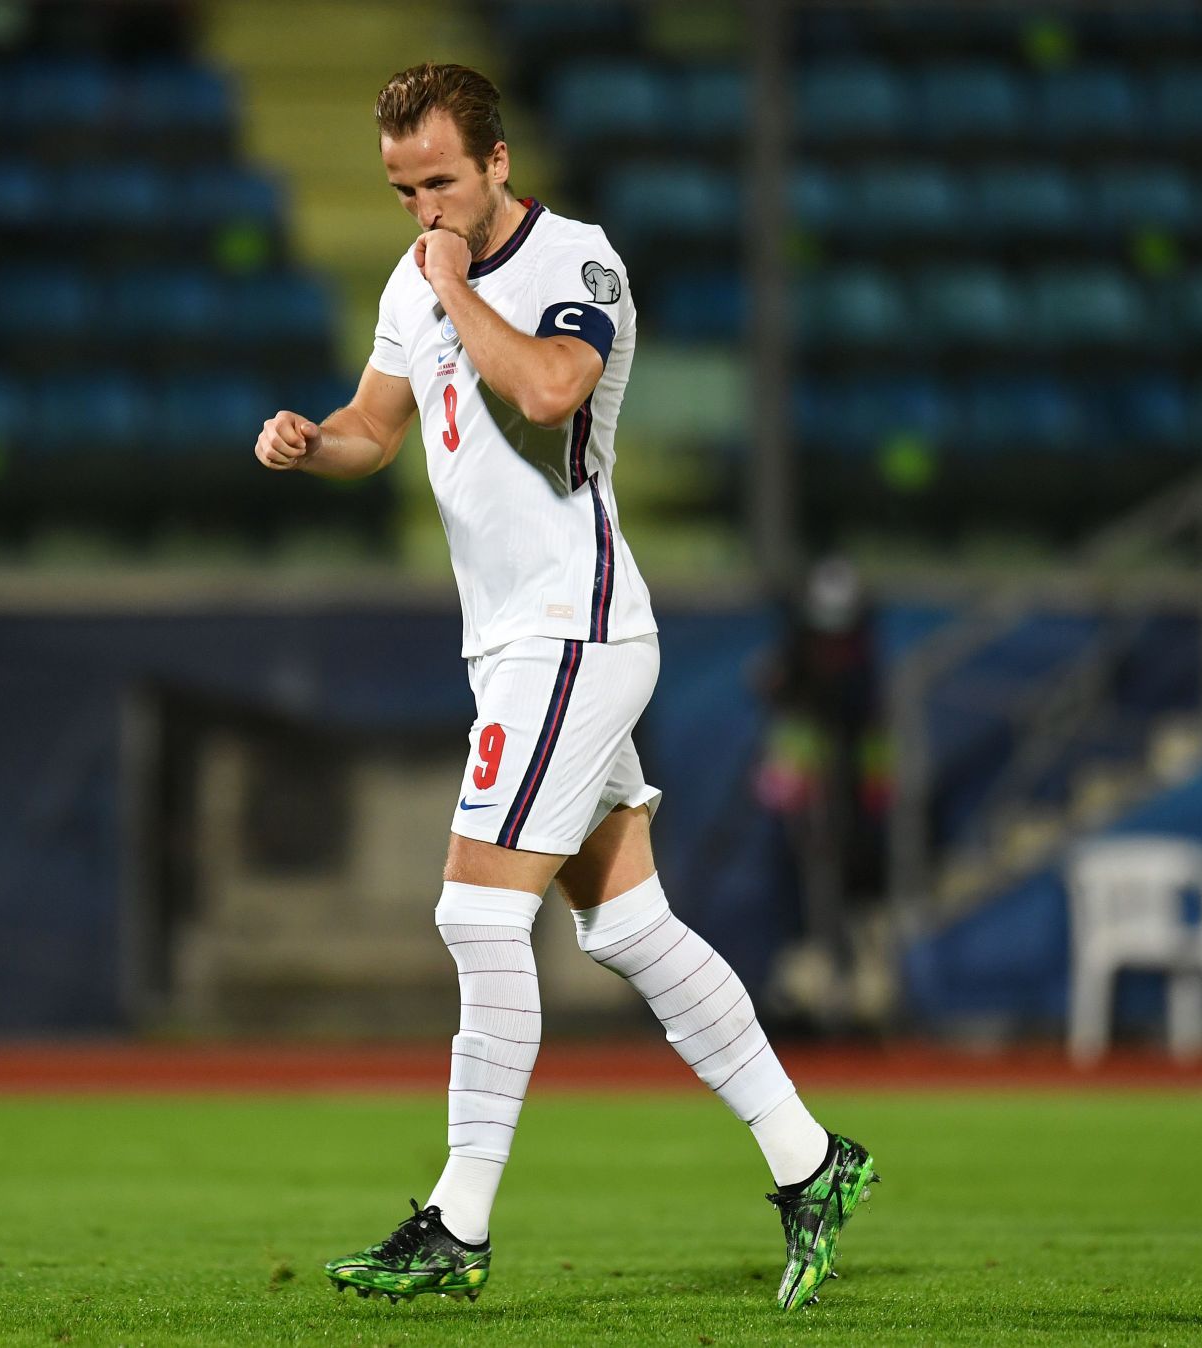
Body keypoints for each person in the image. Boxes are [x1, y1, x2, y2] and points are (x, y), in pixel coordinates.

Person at [252, 62, 877, 1312]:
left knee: (477, 917)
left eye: (439, 180)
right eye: (400, 189)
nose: (421, 207)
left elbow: (550, 391)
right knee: (628, 925)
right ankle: (814, 1161)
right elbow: (379, 426)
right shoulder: (414, 273)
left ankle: (457, 1224)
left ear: (495, 162)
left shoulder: (575, 260)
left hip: (572, 627)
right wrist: (315, 443)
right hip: (512, 641)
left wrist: (452, 290)